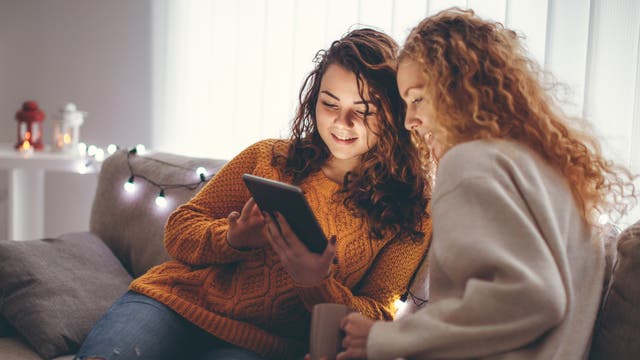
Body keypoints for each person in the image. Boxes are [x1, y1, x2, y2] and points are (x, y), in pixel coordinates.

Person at [74, 28, 431, 360]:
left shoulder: (412, 210)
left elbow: (377, 315)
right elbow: (180, 229)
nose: (342, 122)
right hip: (172, 302)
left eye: (363, 111)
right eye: (330, 104)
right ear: (313, 101)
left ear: (393, 113)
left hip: (261, 345)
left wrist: (317, 284)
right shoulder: (270, 158)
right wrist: (232, 238)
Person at [336, 8, 638, 360]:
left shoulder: (467, 164)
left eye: (417, 98)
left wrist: (382, 339)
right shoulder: (549, 173)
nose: (409, 121)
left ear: (459, 87)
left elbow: (530, 299)